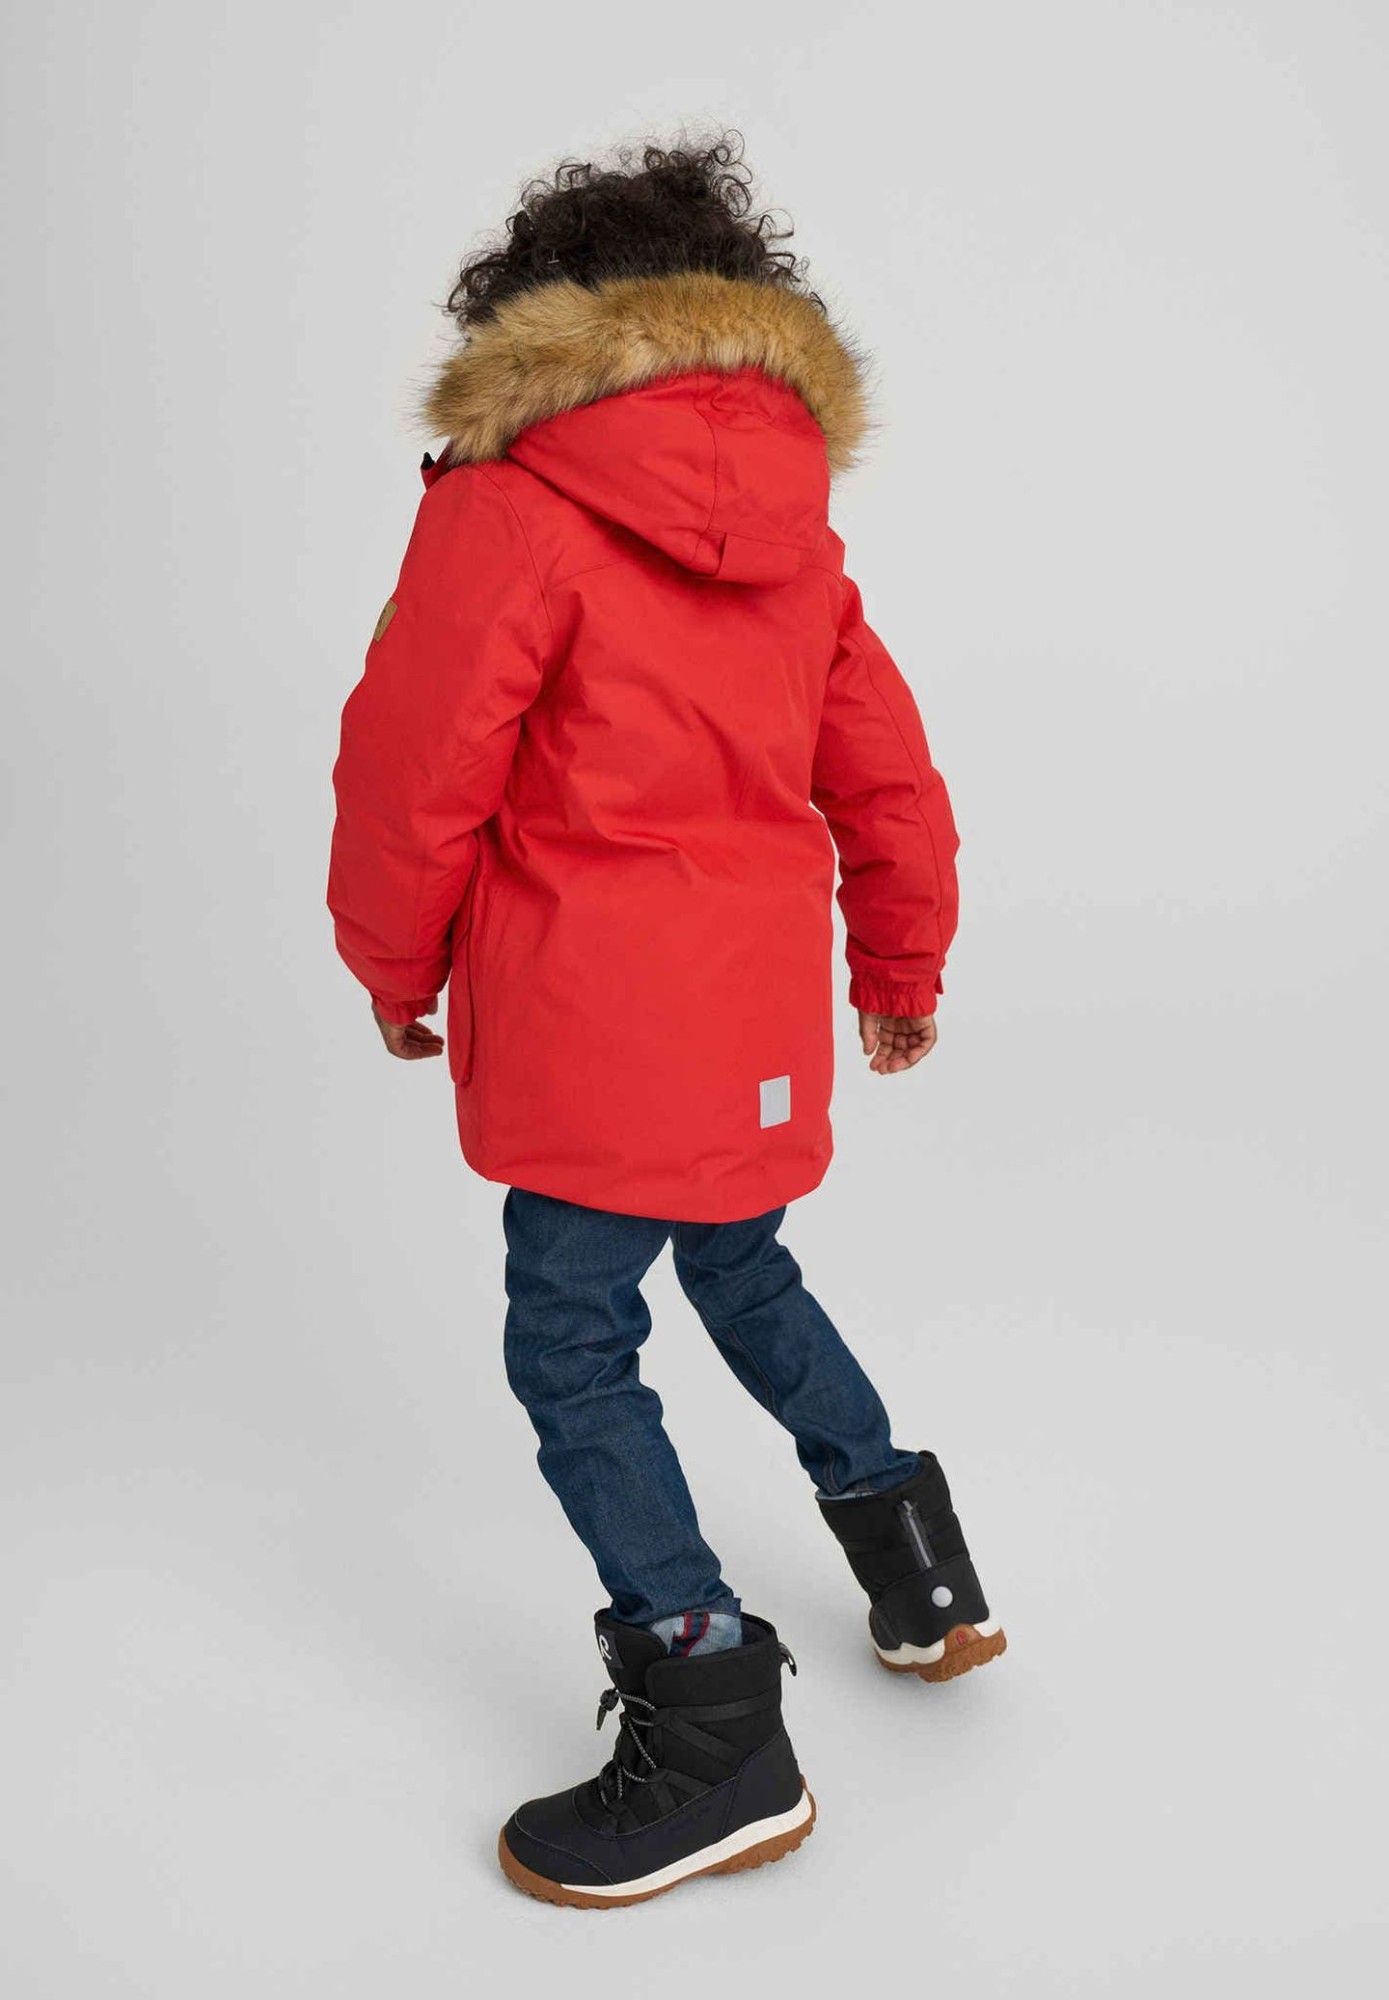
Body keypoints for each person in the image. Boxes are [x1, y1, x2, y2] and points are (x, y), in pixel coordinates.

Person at [328, 135, 1004, 1910]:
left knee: (571, 1343)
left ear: (539, 319)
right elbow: (888, 773)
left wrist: (393, 963)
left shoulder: (508, 505)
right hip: (750, 1021)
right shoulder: (794, 529)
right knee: (743, 1267)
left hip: (588, 1021)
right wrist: (900, 967)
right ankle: (921, 1573)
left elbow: (414, 769)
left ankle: (710, 1727)